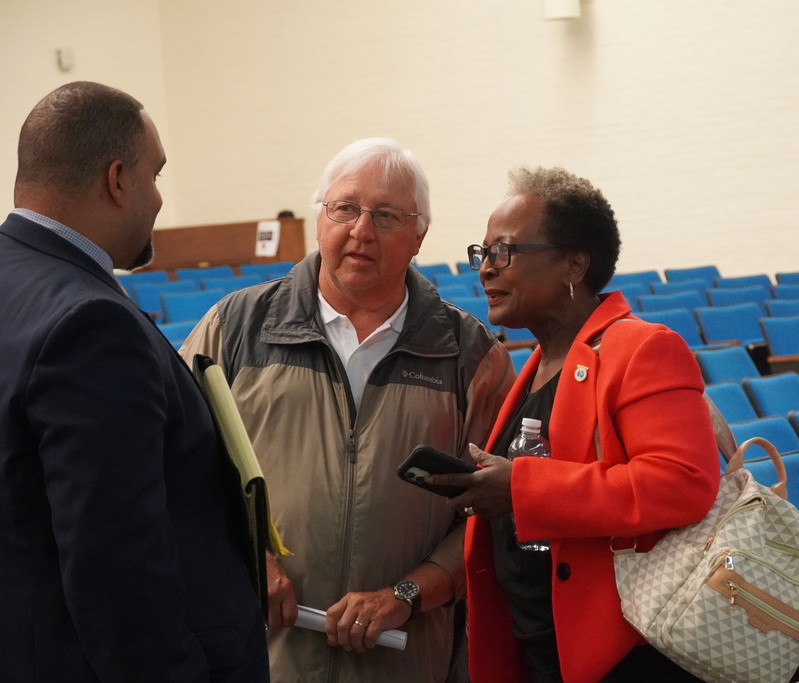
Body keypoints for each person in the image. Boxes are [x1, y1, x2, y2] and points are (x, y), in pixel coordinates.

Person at [179, 137, 516, 682]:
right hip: (262, 655)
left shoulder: (470, 357)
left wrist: (408, 593)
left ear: (419, 236)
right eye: (345, 209)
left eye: (386, 215)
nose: (361, 231)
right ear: (320, 218)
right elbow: (173, 466)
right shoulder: (235, 328)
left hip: (406, 660)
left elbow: (497, 511)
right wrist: (246, 559)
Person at [0, 81, 269, 681]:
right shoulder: (90, 324)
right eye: (155, 176)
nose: (157, 201)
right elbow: (115, 571)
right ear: (117, 179)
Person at [430, 167, 721, 682]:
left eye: (505, 251)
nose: (485, 269)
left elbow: (683, 484)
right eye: (482, 253)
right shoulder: (536, 365)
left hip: (623, 651)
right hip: (537, 645)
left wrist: (521, 489)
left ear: (573, 263)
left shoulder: (641, 348)